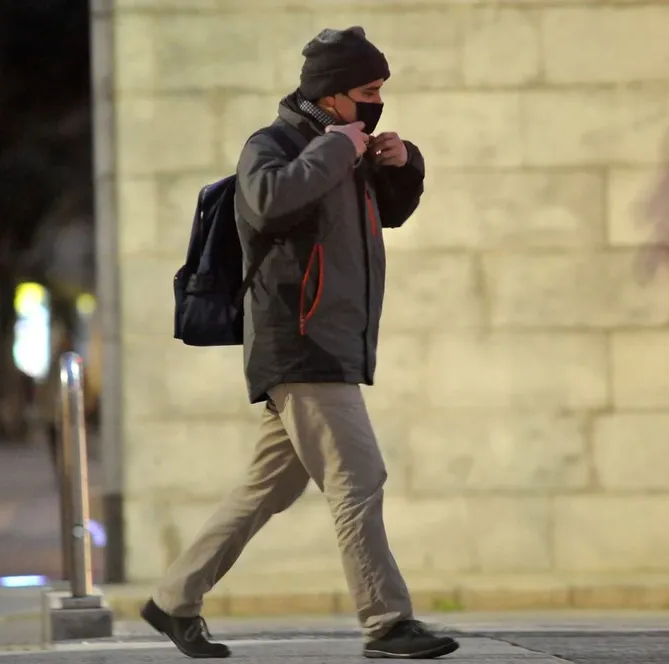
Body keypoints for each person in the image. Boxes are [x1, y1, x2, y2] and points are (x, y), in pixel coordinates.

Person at [140, 26, 459, 661]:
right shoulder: (276, 144)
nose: (376, 103)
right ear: (332, 95)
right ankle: (386, 621)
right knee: (360, 477)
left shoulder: (346, 148)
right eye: (366, 91)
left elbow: (388, 214)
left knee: (268, 488)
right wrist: (340, 152)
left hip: (331, 341)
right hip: (300, 340)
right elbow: (263, 202)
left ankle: (174, 599)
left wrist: (403, 163)